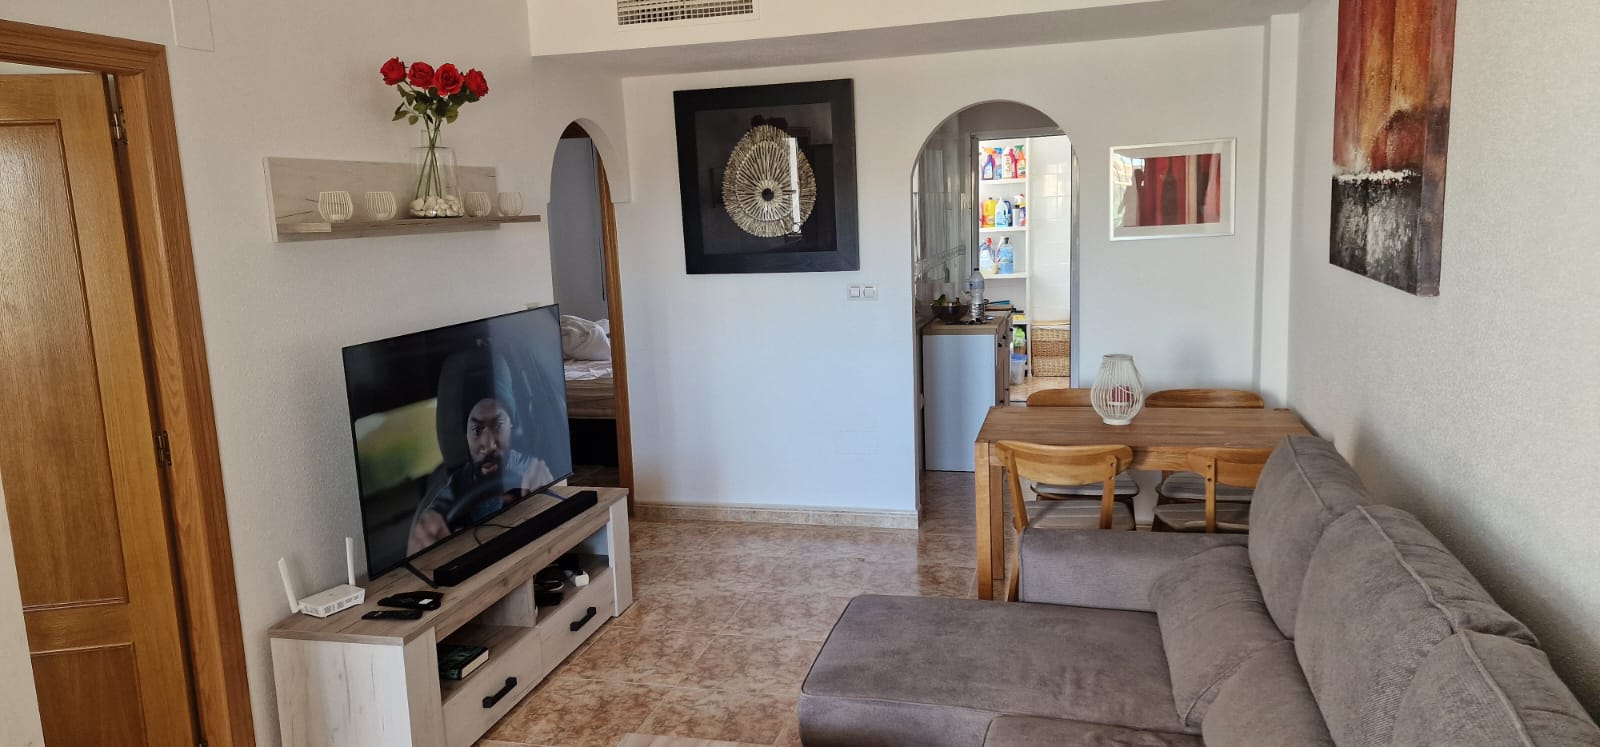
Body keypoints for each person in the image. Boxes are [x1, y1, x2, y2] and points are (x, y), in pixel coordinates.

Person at [406, 354, 555, 554]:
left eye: (498, 425)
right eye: (476, 430)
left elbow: (537, 476)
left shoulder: (527, 467)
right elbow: (439, 508)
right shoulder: (457, 483)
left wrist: (546, 491)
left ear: (511, 425)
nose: (489, 444)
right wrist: (428, 530)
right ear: (465, 436)